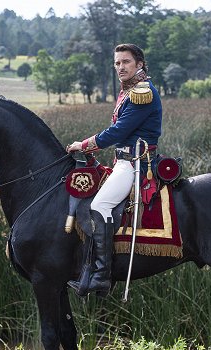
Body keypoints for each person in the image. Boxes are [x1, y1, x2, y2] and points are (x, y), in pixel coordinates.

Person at [66, 43, 162, 295]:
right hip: (123, 161)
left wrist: (84, 145)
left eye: (126, 62)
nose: (120, 67)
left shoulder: (142, 92)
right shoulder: (129, 91)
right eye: (117, 63)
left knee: (100, 205)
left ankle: (101, 275)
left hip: (134, 164)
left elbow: (118, 132)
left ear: (139, 64)